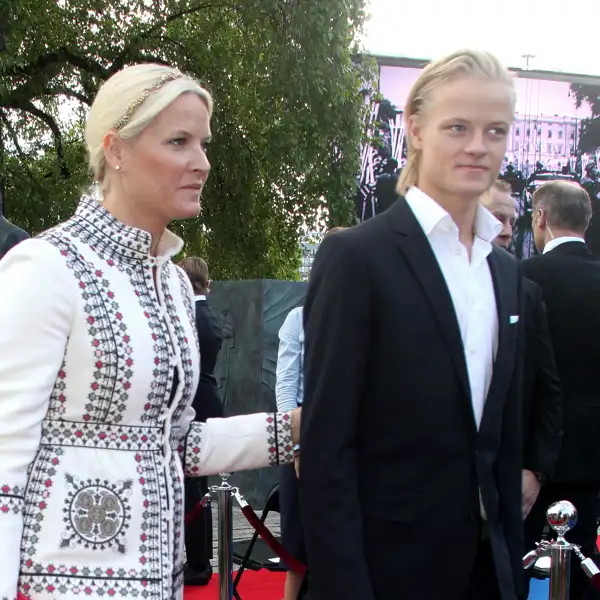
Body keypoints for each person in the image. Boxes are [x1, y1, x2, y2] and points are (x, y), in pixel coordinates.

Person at [0, 63, 300, 599]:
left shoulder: (176, 287)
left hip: (161, 582)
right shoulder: (47, 266)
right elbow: (3, 460)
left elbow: (178, 442)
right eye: (179, 142)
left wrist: (300, 426)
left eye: (204, 144)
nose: (202, 163)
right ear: (116, 150)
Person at [300, 50, 525, 600]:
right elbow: (327, 448)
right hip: (386, 573)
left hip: (488, 571)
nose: (478, 146)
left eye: (494, 130)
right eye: (458, 127)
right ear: (415, 128)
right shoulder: (357, 258)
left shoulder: (506, 273)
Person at [522, 180, 600, 600]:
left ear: (540, 218)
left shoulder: (520, 278)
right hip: (591, 455)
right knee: (583, 563)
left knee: (525, 566)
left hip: (527, 457)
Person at [481, 181, 562, 519]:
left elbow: (546, 388)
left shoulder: (525, 292)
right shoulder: (421, 286)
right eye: (497, 218)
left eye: (513, 221)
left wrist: (535, 472)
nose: (506, 231)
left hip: (505, 490)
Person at [275, 226, 345, 600]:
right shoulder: (297, 319)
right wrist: (297, 448)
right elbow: (285, 386)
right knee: (299, 550)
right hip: (304, 441)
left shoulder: (369, 314)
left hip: (355, 449)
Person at [178, 256, 223, 586]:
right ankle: (199, 560)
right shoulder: (208, 314)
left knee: (194, 490)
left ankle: (198, 563)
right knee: (197, 489)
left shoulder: (190, 316)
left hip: (193, 404)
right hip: (206, 401)